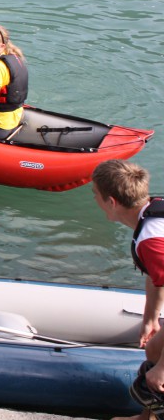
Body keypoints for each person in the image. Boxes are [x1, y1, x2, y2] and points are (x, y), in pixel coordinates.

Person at [92, 160, 164, 420]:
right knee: (154, 350)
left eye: (95, 195)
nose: (95, 200)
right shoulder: (152, 212)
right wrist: (151, 320)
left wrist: (163, 369)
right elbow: (158, 279)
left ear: (111, 202)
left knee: (156, 376)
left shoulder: (152, 241)